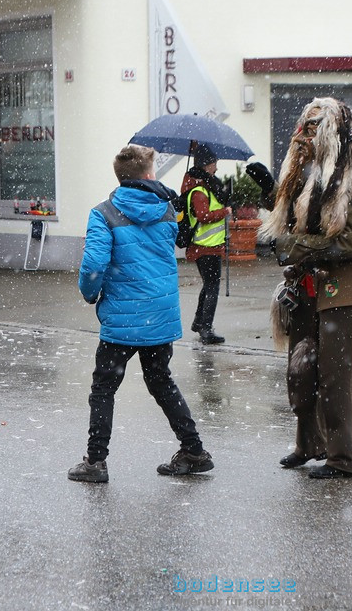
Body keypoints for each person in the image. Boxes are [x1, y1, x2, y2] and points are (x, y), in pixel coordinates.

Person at [68, 144, 213, 483]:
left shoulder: (104, 213)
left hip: (122, 317)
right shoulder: (166, 211)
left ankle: (95, 461)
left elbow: (93, 266)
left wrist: (91, 295)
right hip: (160, 315)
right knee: (161, 381)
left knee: (104, 388)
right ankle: (193, 450)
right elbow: (172, 245)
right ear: (148, 175)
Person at [262, 98, 352, 480]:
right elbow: (295, 223)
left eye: (316, 126)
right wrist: (269, 195)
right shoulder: (305, 167)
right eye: (306, 124)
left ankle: (344, 459)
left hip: (344, 285)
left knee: (335, 375)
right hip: (307, 281)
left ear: (335, 130)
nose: (306, 132)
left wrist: (291, 247)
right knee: (300, 368)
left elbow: (350, 243)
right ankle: (309, 444)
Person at [181, 143, 231, 344]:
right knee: (212, 287)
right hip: (204, 247)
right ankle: (206, 329)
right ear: (206, 165)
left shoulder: (207, 187)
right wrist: (224, 212)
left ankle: (199, 322)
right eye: (214, 163)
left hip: (211, 247)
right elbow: (203, 215)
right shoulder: (199, 190)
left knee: (209, 285)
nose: (216, 167)